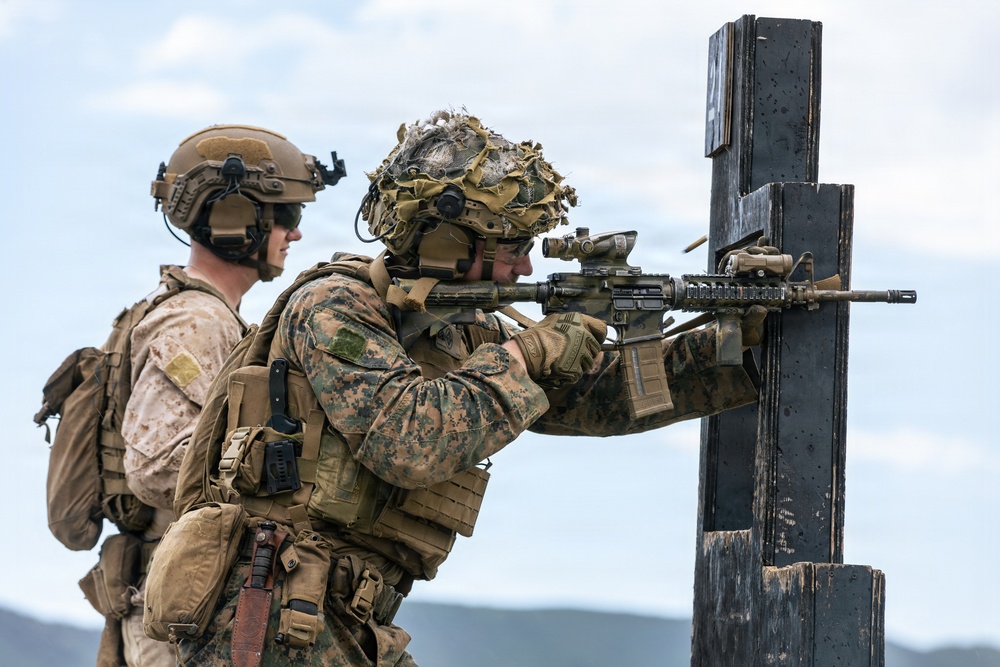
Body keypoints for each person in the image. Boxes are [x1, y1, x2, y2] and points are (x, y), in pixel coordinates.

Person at [169, 110, 760, 666]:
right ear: (450, 239)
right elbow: (405, 438)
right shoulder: (334, 307)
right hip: (270, 613)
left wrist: (738, 346)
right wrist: (528, 353)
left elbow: (596, 396)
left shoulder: (457, 329)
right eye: (513, 247)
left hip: (337, 614)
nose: (525, 268)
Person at [104, 124, 342, 666]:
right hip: (181, 600)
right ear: (237, 221)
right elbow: (157, 466)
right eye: (288, 216)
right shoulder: (195, 322)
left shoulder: (208, 317)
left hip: (186, 593)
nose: (295, 234)